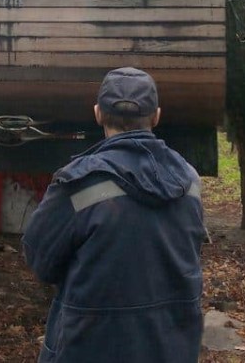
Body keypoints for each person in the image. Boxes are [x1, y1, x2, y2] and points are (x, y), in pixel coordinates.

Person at [22, 67, 205, 363]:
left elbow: (40, 260)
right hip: (171, 350)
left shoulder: (79, 183)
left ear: (98, 114)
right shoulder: (189, 181)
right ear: (156, 116)